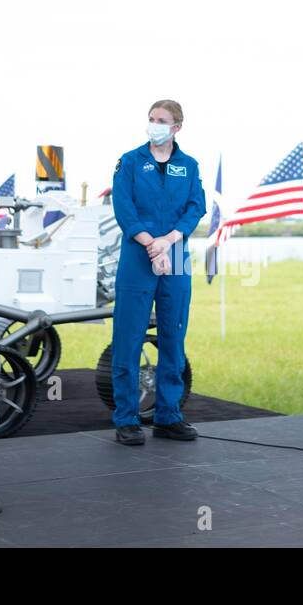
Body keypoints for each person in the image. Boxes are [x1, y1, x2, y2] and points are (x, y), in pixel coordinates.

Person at [108, 100, 206, 445]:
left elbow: (196, 207)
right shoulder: (131, 162)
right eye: (151, 119)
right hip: (139, 252)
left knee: (173, 335)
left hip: (176, 254)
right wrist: (151, 243)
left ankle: (168, 415)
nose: (154, 125)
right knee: (129, 337)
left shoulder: (188, 165)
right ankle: (126, 418)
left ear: (177, 127)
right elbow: (123, 206)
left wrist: (170, 240)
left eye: (161, 120)